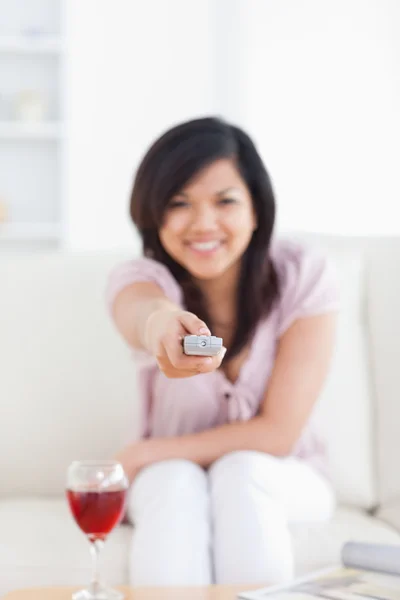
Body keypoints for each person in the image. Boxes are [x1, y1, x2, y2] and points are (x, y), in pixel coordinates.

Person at [106, 117, 339, 587]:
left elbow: (277, 434)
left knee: (242, 471)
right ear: (154, 216)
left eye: (225, 201)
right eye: (179, 203)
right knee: (175, 483)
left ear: (256, 209)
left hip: (284, 475)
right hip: (167, 478)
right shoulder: (141, 279)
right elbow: (141, 312)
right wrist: (160, 325)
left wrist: (145, 452)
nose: (203, 224)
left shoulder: (303, 275)